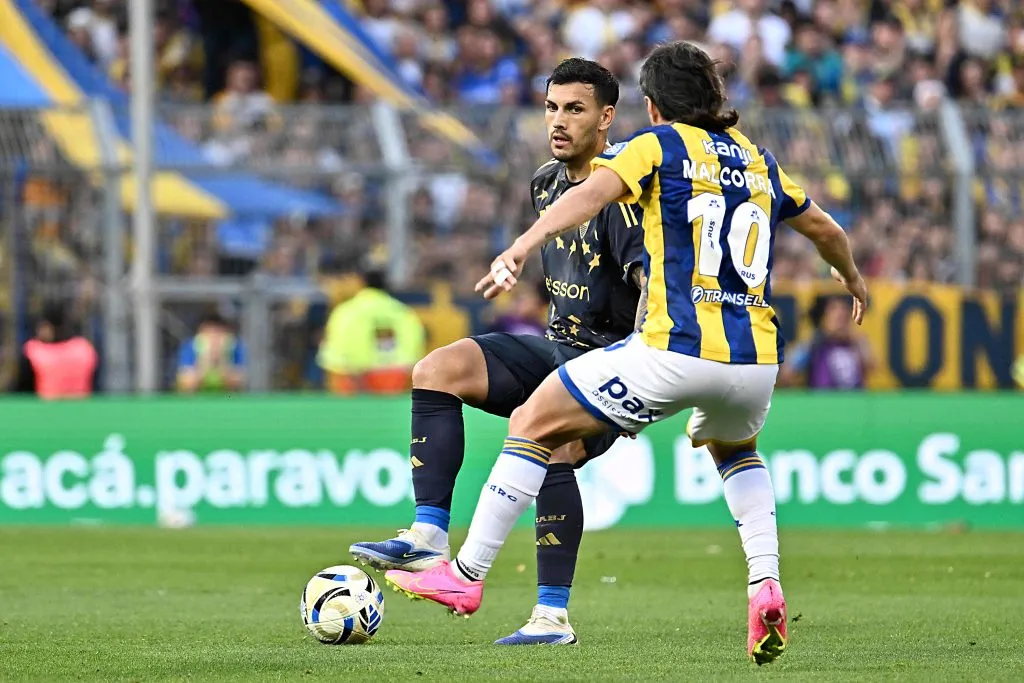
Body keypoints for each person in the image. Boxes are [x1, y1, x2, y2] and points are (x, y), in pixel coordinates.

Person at [385, 42, 869, 666]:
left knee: (532, 423)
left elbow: (589, 197)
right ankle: (765, 582)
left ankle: (466, 574)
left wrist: (522, 245)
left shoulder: (656, 146)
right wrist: (851, 277)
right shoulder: (758, 161)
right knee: (737, 452)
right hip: (754, 362)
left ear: (651, 105)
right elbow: (827, 229)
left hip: (673, 346)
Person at [350, 58, 646, 645]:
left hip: (612, 365)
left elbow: (651, 288)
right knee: (438, 369)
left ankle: (551, 617)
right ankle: (428, 535)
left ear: (606, 117)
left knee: (556, 445)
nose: (558, 121)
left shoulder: (622, 193)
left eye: (575, 109)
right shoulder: (546, 183)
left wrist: (640, 377)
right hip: (560, 349)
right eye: (552, 107)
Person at [317, 257, 426, 395]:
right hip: (395, 378)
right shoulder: (403, 312)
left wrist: (357, 375)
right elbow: (414, 345)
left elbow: (337, 351)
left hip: (353, 381)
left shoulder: (347, 311)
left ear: (361, 282)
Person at [780, 295, 874, 389]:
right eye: (837, 320)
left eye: (844, 320)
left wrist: (859, 342)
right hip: (823, 396)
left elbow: (872, 367)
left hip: (854, 396)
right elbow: (787, 372)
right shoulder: (813, 344)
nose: (840, 325)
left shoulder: (855, 344)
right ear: (824, 319)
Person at [12, 304, 97, 399]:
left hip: (44, 407)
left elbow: (23, 393)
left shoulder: (34, 352)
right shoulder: (84, 349)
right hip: (82, 407)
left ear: (48, 327)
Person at [176, 312, 246, 393]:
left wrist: (222, 359)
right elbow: (187, 384)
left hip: (226, 397)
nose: (214, 338)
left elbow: (238, 383)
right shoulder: (190, 346)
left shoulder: (234, 347)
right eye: (210, 332)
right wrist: (205, 360)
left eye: (218, 332)